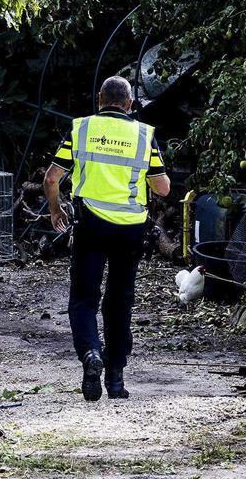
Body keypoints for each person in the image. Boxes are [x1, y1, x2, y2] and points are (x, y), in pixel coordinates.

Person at [43, 76, 171, 401]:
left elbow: (52, 178)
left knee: (84, 299)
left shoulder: (81, 130)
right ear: (129, 104)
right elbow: (163, 188)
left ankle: (90, 354)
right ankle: (115, 380)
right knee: (119, 301)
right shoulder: (144, 136)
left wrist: (56, 211)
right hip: (130, 228)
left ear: (99, 98)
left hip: (91, 224)